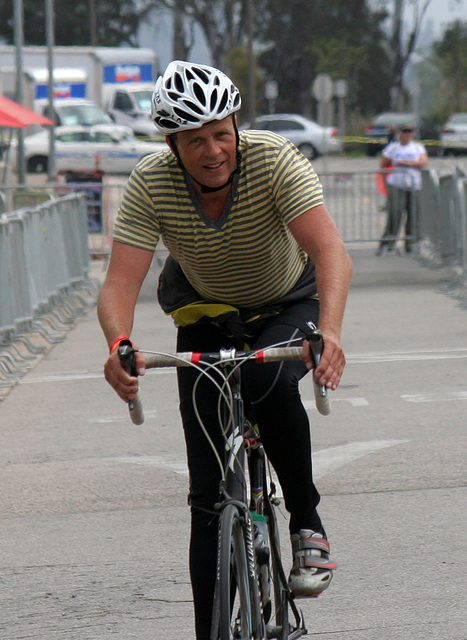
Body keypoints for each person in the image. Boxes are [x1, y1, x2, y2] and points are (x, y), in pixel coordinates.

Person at [97, 60, 352, 640]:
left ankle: (306, 521)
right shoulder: (152, 182)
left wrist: (329, 332)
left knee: (265, 382)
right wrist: (119, 345)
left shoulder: (274, 160)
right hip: (208, 314)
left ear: (236, 125)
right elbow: (117, 285)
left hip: (287, 301)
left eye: (221, 132)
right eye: (195, 140)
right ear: (172, 144)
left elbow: (332, 253)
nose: (213, 149)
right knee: (208, 494)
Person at [377, 123, 428, 255]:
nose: (407, 134)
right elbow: (383, 165)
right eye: (405, 131)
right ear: (400, 133)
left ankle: (411, 244)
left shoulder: (417, 147)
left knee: (413, 216)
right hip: (396, 185)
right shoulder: (393, 148)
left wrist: (405, 163)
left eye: (410, 131)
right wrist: (385, 185)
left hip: (413, 186)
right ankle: (388, 243)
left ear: (413, 133)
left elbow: (422, 162)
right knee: (395, 214)